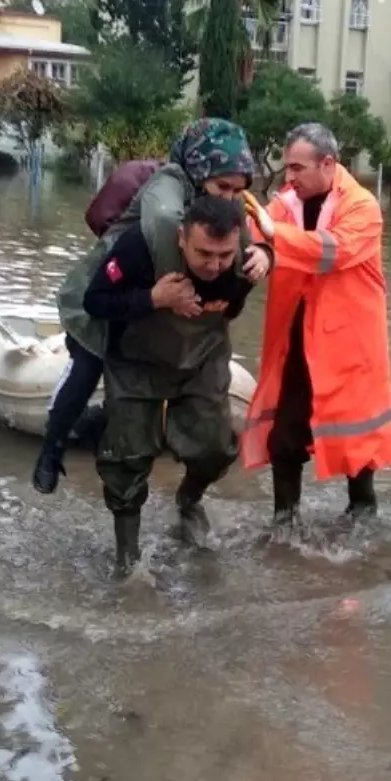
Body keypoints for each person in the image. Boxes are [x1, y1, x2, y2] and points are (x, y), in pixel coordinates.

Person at [33, 119, 267, 494]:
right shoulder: (169, 184)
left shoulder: (223, 201)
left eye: (237, 191)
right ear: (200, 170)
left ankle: (99, 424)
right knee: (88, 366)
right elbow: (164, 223)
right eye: (223, 186)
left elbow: (242, 238)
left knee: (135, 388)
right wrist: (182, 295)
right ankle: (51, 450)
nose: (229, 197)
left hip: (153, 302)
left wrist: (263, 254)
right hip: (107, 286)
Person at [241, 122, 391, 528]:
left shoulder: (361, 206)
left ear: (328, 163)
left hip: (349, 347)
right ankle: (284, 525)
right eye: (287, 167)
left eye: (297, 168)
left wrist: (276, 238)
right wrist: (262, 248)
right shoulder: (289, 202)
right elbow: (259, 232)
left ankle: (362, 520)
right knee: (285, 436)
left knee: (356, 441)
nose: (288, 177)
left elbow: (335, 251)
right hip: (298, 339)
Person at [84, 193, 254, 575]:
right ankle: (127, 559)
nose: (214, 265)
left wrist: (265, 259)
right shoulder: (139, 248)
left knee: (215, 448)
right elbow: (94, 301)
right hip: (136, 361)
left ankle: (189, 500)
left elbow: (235, 303)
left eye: (224, 256)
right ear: (181, 238)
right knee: (127, 460)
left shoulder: (246, 258)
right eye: (203, 254)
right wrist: (152, 298)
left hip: (202, 357)